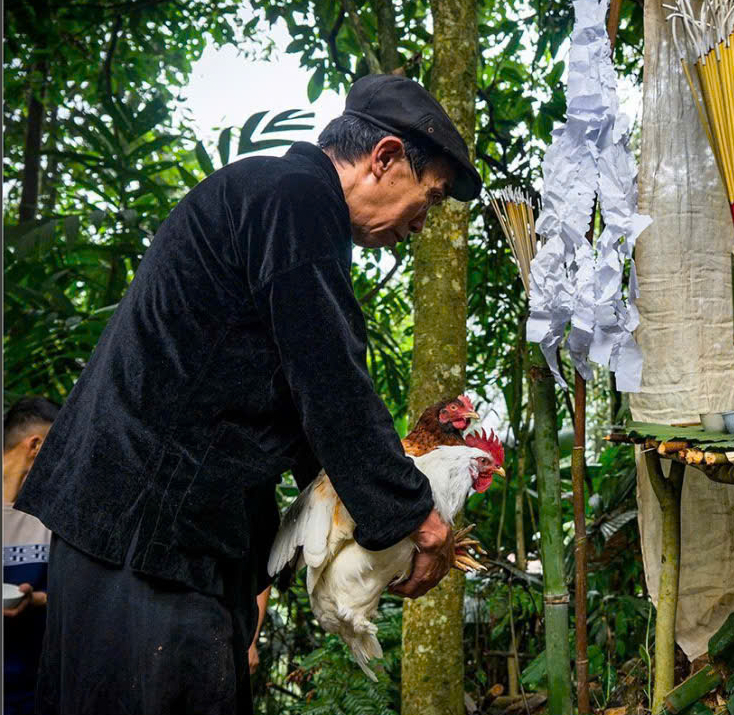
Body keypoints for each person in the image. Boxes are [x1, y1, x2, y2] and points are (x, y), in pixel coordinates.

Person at [14, 74, 483, 715]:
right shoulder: (293, 199)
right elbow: (329, 379)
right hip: (145, 542)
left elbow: (297, 401)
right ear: (385, 159)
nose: (422, 224)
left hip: (153, 539)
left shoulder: (279, 201)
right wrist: (413, 517)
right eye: (428, 199)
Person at [3, 397, 59, 715]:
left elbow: (81, 597)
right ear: (36, 445)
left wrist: (38, 600)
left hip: (39, 694)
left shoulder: (52, 518)